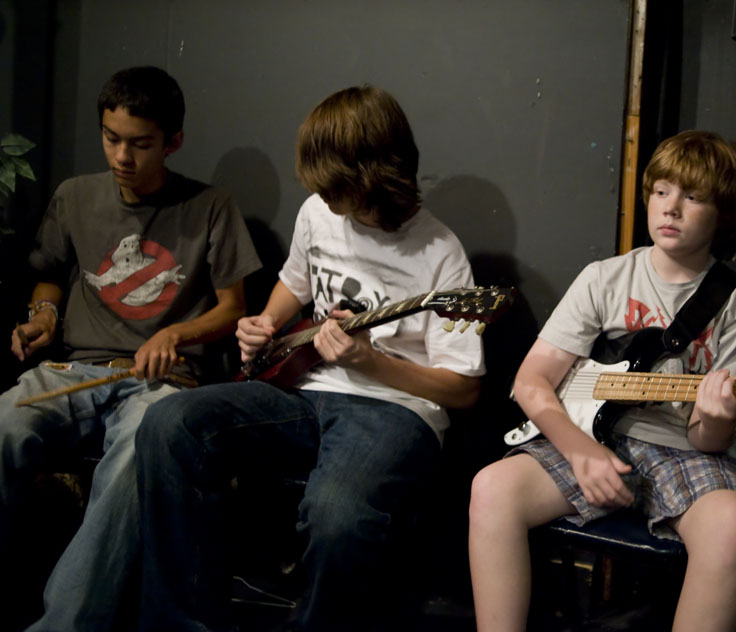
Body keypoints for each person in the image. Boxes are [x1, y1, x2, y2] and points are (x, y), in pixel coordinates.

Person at [135, 85, 486, 631]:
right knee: (169, 422)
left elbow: (463, 388)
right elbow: (292, 286)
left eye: (333, 186)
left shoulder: (441, 254)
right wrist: (265, 327)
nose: (321, 197)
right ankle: (181, 621)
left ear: (371, 174)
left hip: (393, 410)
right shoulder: (317, 213)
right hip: (301, 389)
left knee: (337, 515)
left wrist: (372, 363)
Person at [469, 130, 736, 632]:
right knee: (491, 488)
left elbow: (706, 438)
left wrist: (717, 418)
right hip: (598, 438)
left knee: (733, 526)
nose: (670, 208)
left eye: (692, 197)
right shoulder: (603, 277)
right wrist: (578, 452)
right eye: (661, 191)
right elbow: (531, 380)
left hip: (690, 453)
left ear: (726, 214)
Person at [0, 65, 261, 632]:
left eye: (140, 144)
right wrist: (42, 314)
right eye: (111, 138)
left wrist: (176, 334)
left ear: (173, 142)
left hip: (161, 383)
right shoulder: (74, 196)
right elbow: (47, 276)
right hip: (73, 370)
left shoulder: (210, 206)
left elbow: (232, 309)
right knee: (3, 425)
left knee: (138, 453)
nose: (122, 156)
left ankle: (64, 625)